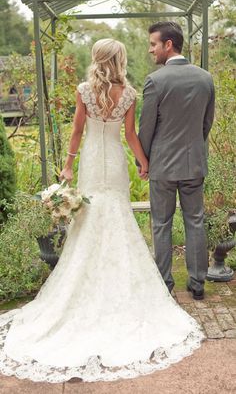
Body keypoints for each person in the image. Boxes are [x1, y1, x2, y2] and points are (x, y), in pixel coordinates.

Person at [0, 39, 204, 384]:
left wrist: (67, 167)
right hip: (115, 166)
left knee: (90, 218)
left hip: (92, 163)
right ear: (119, 60)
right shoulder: (128, 93)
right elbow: (128, 135)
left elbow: (77, 131)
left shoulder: (84, 90)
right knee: (118, 215)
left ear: (98, 59)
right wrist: (143, 162)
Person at [138, 22, 215, 300]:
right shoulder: (205, 78)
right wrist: (193, 146)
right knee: (195, 221)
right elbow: (206, 123)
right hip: (193, 162)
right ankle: (197, 285)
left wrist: (143, 161)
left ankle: (164, 284)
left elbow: (146, 128)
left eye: (153, 45)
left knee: (161, 223)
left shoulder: (155, 81)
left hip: (162, 165)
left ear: (168, 45)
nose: (151, 50)